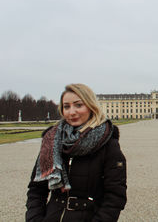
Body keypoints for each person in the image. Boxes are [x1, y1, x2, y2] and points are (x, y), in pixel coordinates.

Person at [26, 83, 127, 222]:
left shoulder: (108, 144)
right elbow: (36, 189)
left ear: (91, 106)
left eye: (78, 105)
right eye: (66, 106)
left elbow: (115, 197)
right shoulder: (52, 141)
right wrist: (34, 219)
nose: (71, 112)